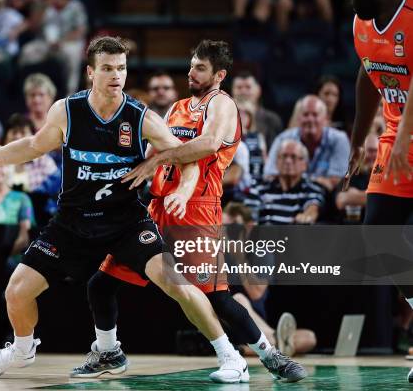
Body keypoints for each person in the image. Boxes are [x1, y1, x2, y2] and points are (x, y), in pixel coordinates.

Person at [0, 36, 240, 381]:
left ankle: (230, 355)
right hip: (72, 223)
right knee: (16, 291)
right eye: (108, 69)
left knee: (176, 282)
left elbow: (188, 160)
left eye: (122, 69)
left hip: (125, 222)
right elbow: (32, 147)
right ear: (90, 73)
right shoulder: (67, 110)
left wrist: (185, 192)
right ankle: (22, 351)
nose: (116, 76)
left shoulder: (140, 117)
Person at [88, 40, 307, 383]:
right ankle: (108, 352)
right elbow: (152, 148)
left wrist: (162, 158)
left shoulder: (222, 104)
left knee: (217, 297)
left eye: (200, 68)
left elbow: (207, 144)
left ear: (219, 74)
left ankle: (270, 356)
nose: (191, 72)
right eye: (191, 65)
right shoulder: (176, 108)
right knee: (102, 282)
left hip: (197, 211)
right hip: (157, 208)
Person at [345, 0, 413, 381]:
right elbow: (368, 73)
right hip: (395, 140)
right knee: (377, 233)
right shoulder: (362, 22)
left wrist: (405, 132)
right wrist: (357, 139)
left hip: (404, 135)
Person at [222, 202, 317, 357]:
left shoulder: (261, 251)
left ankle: (248, 349)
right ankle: (273, 340)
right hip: (228, 324)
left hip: (256, 325)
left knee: (309, 338)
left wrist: (239, 258)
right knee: (237, 299)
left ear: (249, 226)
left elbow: (256, 293)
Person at [264, 95, 350, 192]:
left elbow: (337, 182)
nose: (310, 119)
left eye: (315, 115)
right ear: (298, 118)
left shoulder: (339, 139)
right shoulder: (283, 139)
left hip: (326, 198)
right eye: (305, 114)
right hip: (288, 195)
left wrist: (295, 179)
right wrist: (317, 181)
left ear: (325, 119)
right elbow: (270, 175)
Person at [247, 140, 325, 225]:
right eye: (284, 156)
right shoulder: (259, 187)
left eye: (293, 157)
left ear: (304, 164)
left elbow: (312, 209)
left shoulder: (312, 189)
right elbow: (249, 217)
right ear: (277, 162)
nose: (288, 161)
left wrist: (307, 216)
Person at [231, 72, 282, 148]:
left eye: (248, 87)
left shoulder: (271, 119)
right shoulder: (224, 117)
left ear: (258, 90)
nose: (243, 91)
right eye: (239, 87)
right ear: (232, 91)